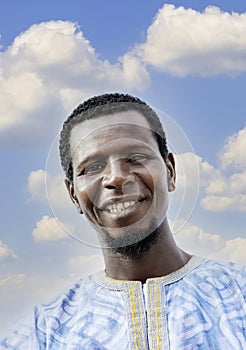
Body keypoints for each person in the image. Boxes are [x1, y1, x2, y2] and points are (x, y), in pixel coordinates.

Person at [1, 93, 245, 349]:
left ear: (170, 171)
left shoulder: (239, 295)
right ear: (74, 195)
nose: (116, 178)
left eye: (136, 158)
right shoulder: (43, 333)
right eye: (93, 167)